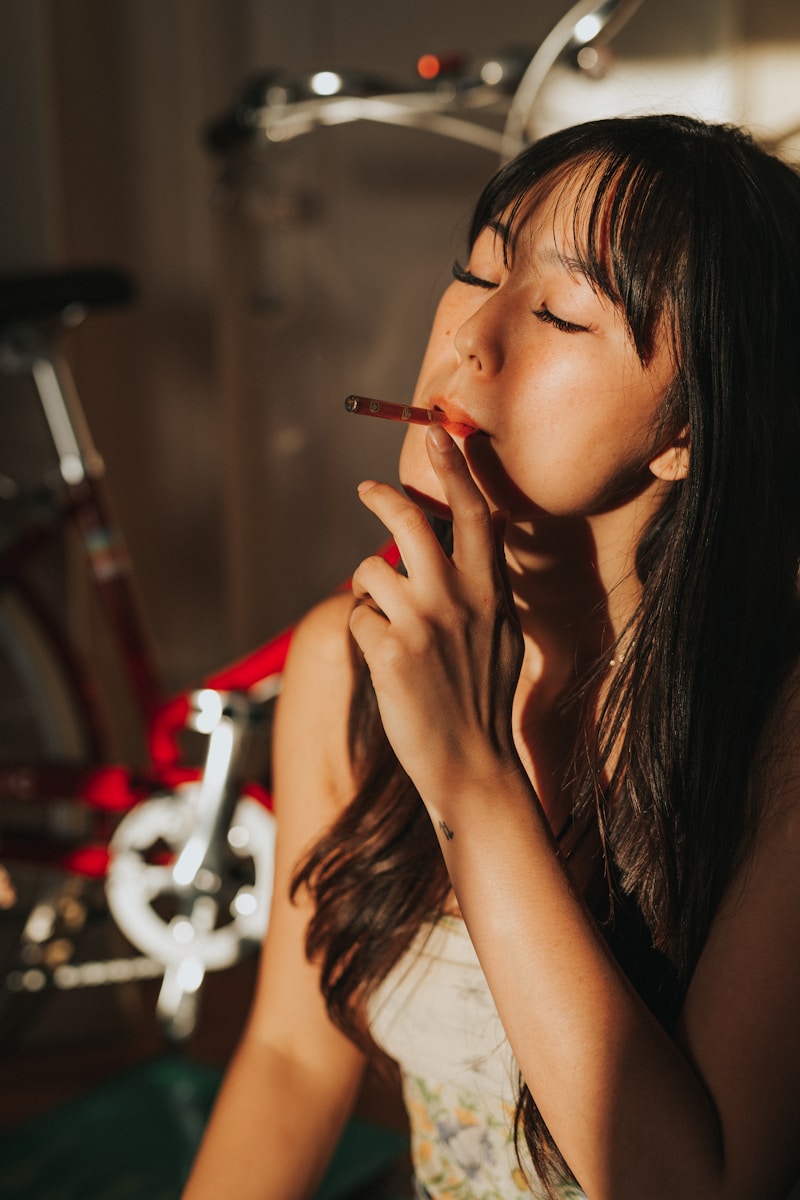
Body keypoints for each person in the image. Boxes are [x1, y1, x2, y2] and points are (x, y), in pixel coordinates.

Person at [182, 114, 800, 1200]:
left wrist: (468, 771)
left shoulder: (776, 737)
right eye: (477, 271)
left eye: (561, 312)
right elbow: (290, 1060)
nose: (470, 336)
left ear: (690, 429)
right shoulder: (348, 658)